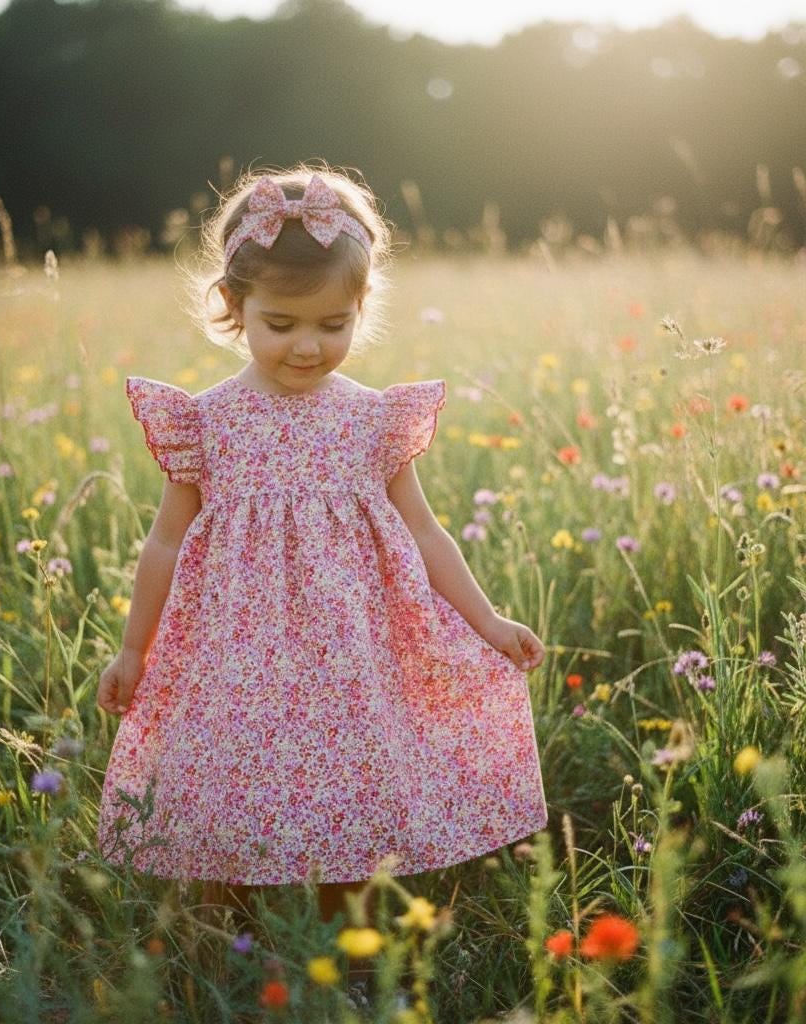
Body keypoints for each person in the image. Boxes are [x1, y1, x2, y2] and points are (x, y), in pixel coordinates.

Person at [95, 162, 548, 949]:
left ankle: (354, 946)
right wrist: (135, 649)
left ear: (361, 309)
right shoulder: (207, 423)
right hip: (238, 653)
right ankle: (226, 944)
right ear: (233, 306)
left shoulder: (373, 422)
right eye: (281, 324)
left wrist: (486, 621)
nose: (308, 346)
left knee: (353, 782)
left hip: (350, 654)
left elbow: (425, 532)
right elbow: (165, 541)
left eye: (333, 324)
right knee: (230, 776)